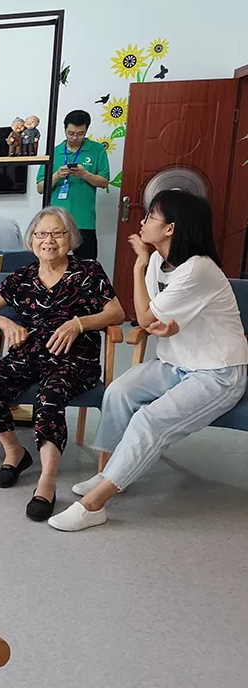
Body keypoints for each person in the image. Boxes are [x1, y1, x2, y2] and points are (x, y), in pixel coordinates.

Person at [50, 190, 248, 532]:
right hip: (175, 363)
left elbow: (143, 317)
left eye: (150, 217)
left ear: (171, 228)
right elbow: (162, 318)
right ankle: (112, 471)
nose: (141, 222)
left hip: (217, 371)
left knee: (150, 420)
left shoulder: (198, 268)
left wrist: (138, 263)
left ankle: (94, 505)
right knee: (119, 392)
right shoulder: (160, 259)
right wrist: (167, 322)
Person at [0, 207, 125, 521]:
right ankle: (15, 453)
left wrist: (78, 324)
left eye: (57, 233)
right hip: (29, 354)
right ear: (31, 240)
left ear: (71, 238)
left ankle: (47, 479)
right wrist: (6, 323)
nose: (49, 240)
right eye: (41, 234)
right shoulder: (23, 277)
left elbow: (116, 313)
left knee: (50, 397)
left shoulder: (89, 271)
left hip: (75, 358)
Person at [36, 110, 110, 260]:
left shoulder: (97, 150)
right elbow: (40, 188)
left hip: (84, 222)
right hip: (56, 222)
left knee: (86, 266)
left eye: (80, 134)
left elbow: (104, 182)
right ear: (65, 129)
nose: (75, 137)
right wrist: (57, 175)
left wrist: (85, 174)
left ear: (86, 130)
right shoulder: (54, 152)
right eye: (70, 133)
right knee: (52, 262)